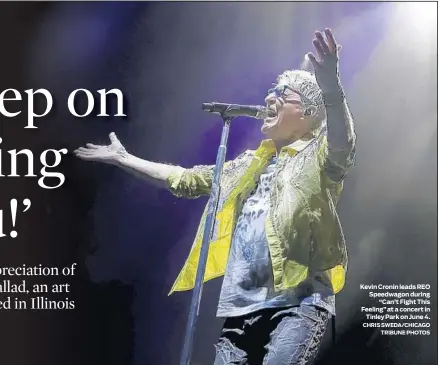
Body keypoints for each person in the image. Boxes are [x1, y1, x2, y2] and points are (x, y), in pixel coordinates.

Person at [75, 28, 356, 365]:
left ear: (308, 113)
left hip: (299, 304)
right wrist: (125, 159)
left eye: (283, 93)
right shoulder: (244, 166)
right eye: (271, 91)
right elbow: (185, 179)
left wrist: (330, 87)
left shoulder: (319, 160)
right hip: (242, 307)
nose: (271, 98)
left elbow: (342, 140)